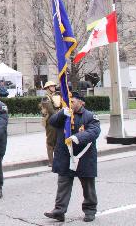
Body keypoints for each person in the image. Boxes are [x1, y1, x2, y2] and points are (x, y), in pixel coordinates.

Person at [44, 92, 101, 223]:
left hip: (83, 156)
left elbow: (94, 131)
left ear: (82, 103)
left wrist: (77, 137)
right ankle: (59, 211)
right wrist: (61, 113)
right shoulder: (65, 114)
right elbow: (52, 122)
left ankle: (90, 210)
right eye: (69, 101)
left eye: (73, 101)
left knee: (88, 185)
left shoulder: (90, 116)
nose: (70, 104)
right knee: (63, 184)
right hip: (65, 155)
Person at [40, 80, 61, 166]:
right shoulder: (46, 98)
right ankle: (51, 162)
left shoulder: (55, 96)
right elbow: (51, 110)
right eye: (51, 86)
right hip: (50, 121)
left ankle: (56, 160)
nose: (53, 87)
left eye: (54, 86)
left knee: (56, 141)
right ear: (48, 88)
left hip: (56, 120)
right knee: (50, 141)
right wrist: (60, 113)